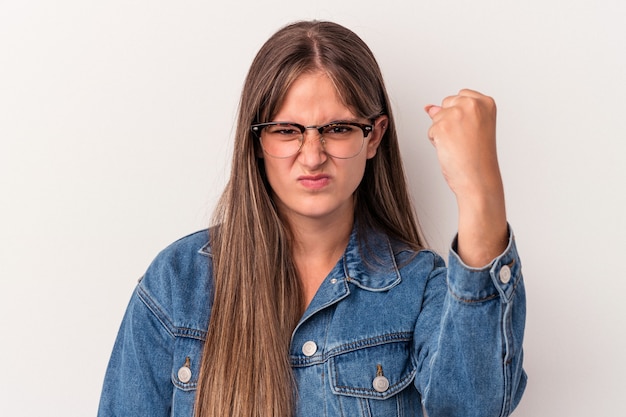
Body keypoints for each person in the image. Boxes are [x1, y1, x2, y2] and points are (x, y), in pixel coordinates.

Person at [98, 20, 526, 417]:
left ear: (373, 137)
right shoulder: (177, 284)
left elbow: (476, 406)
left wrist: (480, 193)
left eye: (337, 128)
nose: (313, 155)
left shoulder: (419, 287)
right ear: (257, 141)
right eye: (287, 130)